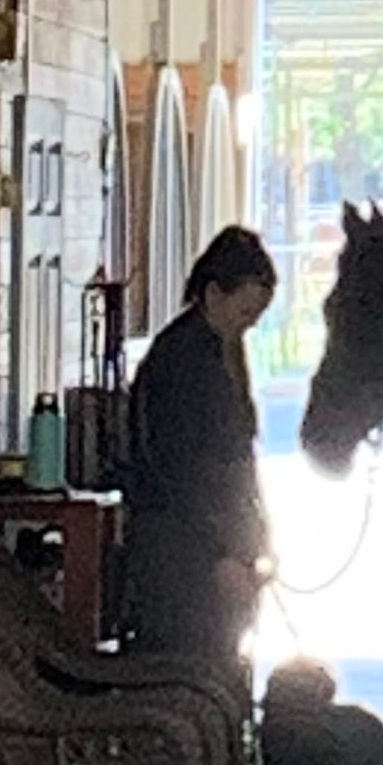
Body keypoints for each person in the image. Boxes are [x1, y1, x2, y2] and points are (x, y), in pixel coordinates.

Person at [122, 226, 278, 693]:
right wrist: (223, 553)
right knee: (193, 676)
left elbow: (236, 462)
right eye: (246, 310)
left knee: (221, 672)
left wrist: (257, 536)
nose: (250, 323)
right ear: (214, 293)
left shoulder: (218, 351)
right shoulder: (181, 362)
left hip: (217, 543)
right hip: (184, 553)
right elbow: (185, 472)